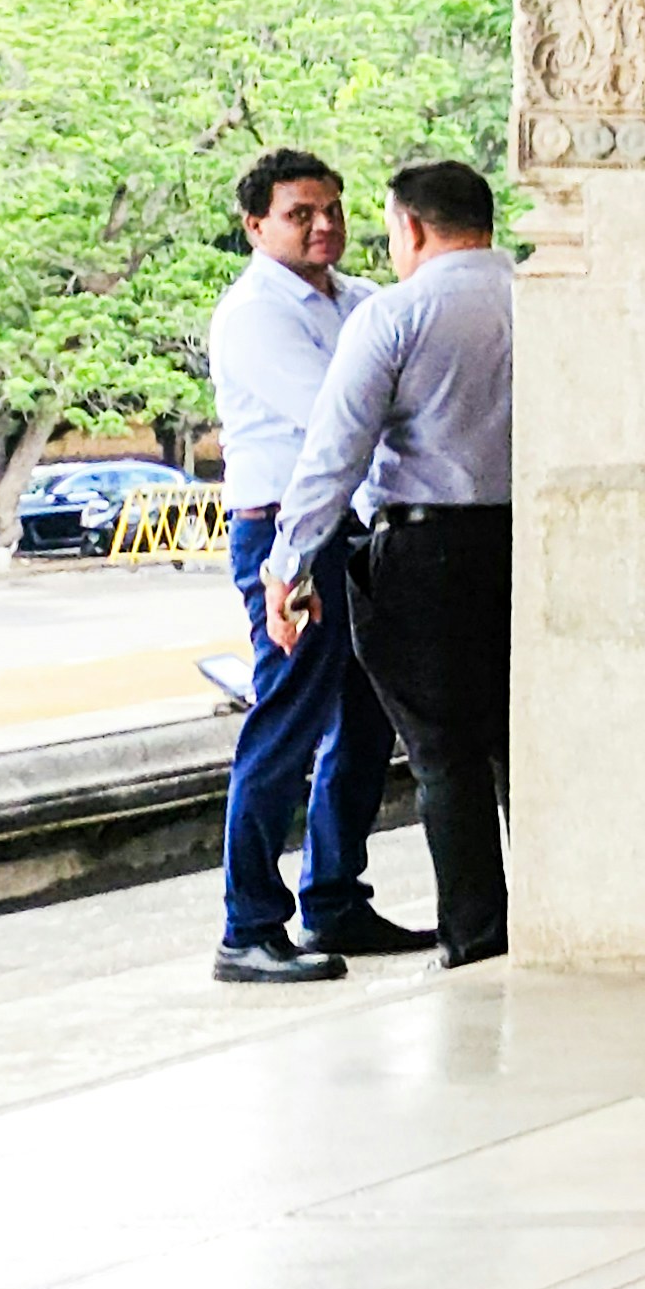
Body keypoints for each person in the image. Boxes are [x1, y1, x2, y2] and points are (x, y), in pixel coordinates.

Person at [264, 154, 517, 974]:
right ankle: (562, 914)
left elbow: (336, 454)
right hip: (537, 542)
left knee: (445, 753)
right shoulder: (552, 299)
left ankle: (478, 934)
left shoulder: (395, 315)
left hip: (425, 549)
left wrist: (288, 562)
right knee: (530, 744)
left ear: (409, 225)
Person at [198, 147, 405, 988]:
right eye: (299, 214)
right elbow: (342, 416)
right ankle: (248, 925)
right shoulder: (253, 313)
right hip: (285, 534)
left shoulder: (361, 299)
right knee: (285, 724)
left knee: (367, 721)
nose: (323, 227)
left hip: (356, 528)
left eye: (332, 211)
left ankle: (335, 899)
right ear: (255, 226)